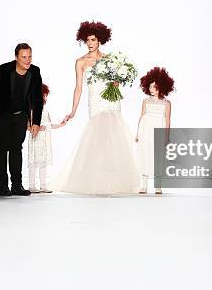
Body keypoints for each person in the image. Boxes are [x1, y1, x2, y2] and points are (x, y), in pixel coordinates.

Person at [51, 21, 139, 194]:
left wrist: (116, 83)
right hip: (96, 103)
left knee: (113, 140)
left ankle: (114, 183)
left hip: (112, 102)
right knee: (97, 141)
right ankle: (95, 183)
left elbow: (116, 83)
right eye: (87, 40)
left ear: (100, 40)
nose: (90, 43)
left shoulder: (110, 60)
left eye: (93, 39)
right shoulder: (81, 62)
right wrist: (73, 111)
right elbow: (78, 88)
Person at [0, 43, 43, 196]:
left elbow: (37, 98)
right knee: (1, 149)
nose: (27, 60)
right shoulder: (4, 70)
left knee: (16, 149)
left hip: (20, 116)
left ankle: (17, 186)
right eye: (24, 57)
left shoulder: (35, 71)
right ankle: (3, 187)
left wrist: (35, 122)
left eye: (29, 56)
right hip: (1, 116)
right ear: (16, 57)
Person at [135, 67, 173, 195]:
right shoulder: (145, 101)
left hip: (158, 128)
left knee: (158, 156)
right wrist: (137, 132)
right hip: (145, 129)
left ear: (161, 87)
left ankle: (158, 185)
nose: (151, 89)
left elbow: (168, 120)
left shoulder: (167, 103)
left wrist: (166, 136)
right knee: (145, 153)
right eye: (150, 87)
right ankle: (144, 185)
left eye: (154, 87)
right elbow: (142, 115)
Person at [27, 84, 64, 193]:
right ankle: (32, 186)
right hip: (35, 139)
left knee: (43, 163)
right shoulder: (31, 110)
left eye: (45, 95)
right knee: (33, 163)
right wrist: (36, 128)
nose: (45, 97)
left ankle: (43, 185)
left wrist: (61, 124)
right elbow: (27, 126)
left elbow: (50, 125)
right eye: (43, 95)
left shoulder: (45, 110)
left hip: (44, 141)